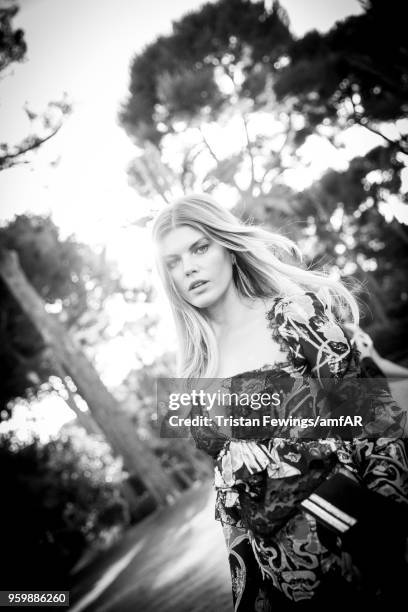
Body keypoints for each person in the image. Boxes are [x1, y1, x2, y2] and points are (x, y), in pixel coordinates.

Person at [152, 194, 408, 610]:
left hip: (362, 545)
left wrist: (387, 536)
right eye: (173, 262)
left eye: (200, 248)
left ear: (230, 249)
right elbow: (232, 506)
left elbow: (377, 428)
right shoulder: (194, 375)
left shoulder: (293, 316)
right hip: (287, 584)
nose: (189, 268)